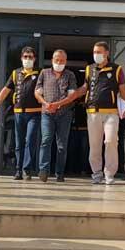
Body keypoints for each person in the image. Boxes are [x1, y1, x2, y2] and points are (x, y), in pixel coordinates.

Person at [74, 41, 125, 185]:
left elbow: (123, 90)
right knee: (95, 144)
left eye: (99, 52)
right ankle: (97, 173)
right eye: (94, 52)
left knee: (110, 141)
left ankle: (109, 174)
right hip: (92, 113)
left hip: (111, 113)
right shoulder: (89, 69)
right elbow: (85, 88)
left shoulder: (117, 69)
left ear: (106, 53)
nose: (96, 55)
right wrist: (69, 97)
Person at [0, 47, 42, 180]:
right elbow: (6, 89)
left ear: (34, 58)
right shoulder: (16, 73)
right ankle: (18, 170)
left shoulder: (40, 73)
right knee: (18, 143)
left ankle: (26, 169)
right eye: (25, 57)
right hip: (19, 113)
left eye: (30, 57)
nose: (28, 59)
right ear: (21, 58)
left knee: (30, 140)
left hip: (35, 114)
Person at [35, 49, 78, 182]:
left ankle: (59, 173)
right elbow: (37, 92)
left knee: (61, 145)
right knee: (46, 140)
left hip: (64, 114)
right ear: (52, 60)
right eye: (57, 60)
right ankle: (43, 171)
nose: (59, 62)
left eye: (62, 60)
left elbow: (72, 95)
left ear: (66, 61)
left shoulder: (70, 75)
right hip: (47, 113)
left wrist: (58, 104)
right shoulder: (44, 73)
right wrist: (46, 103)